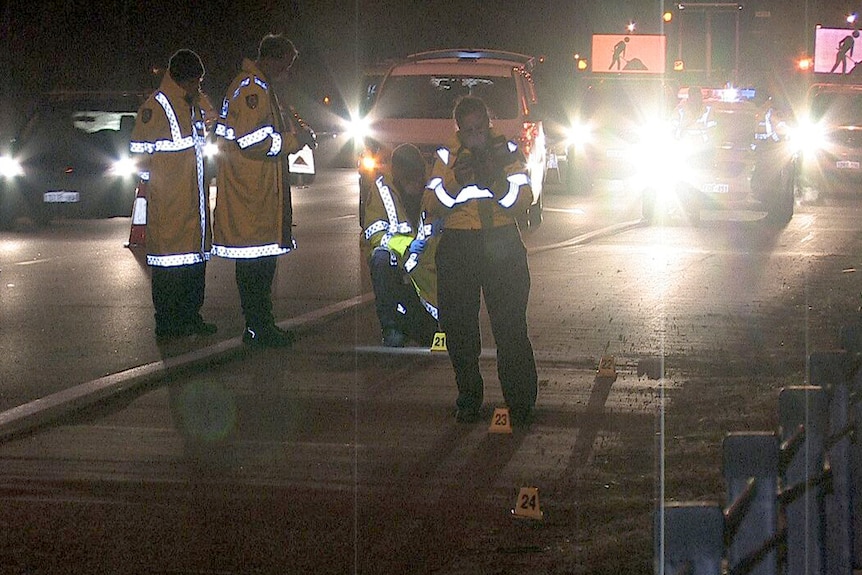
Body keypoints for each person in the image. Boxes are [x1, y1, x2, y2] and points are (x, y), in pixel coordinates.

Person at [425, 96, 538, 426]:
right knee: (459, 329)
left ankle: (519, 402)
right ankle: (469, 398)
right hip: (460, 245)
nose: (474, 135)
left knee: (510, 327)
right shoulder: (447, 155)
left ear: (489, 124)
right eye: (468, 129)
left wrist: (495, 179)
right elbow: (432, 202)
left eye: (480, 128)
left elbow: (523, 200)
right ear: (458, 128)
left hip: (501, 242)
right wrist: (456, 180)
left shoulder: (507, 152)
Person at [212, 34, 315, 347]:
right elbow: (253, 141)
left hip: (256, 192)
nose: (287, 71)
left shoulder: (259, 88)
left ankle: (260, 324)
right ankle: (258, 327)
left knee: (259, 267)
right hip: (251, 193)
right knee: (256, 269)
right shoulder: (253, 90)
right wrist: (294, 142)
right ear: (272, 58)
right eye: (286, 64)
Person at [129, 49, 216, 341]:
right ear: (184, 79)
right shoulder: (156, 107)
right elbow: (140, 157)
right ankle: (167, 324)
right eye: (196, 81)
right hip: (170, 205)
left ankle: (191, 318)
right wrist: (160, 189)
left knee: (193, 264)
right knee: (169, 268)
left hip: (193, 204)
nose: (198, 87)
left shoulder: (192, 105)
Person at [361, 143, 439, 347]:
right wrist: (406, 245)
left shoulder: (433, 188)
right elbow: (375, 232)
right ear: (398, 176)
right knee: (381, 258)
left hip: (426, 270)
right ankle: (391, 327)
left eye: (418, 178)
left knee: (429, 334)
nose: (415, 185)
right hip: (396, 262)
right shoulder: (382, 190)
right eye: (410, 180)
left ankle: (422, 322)